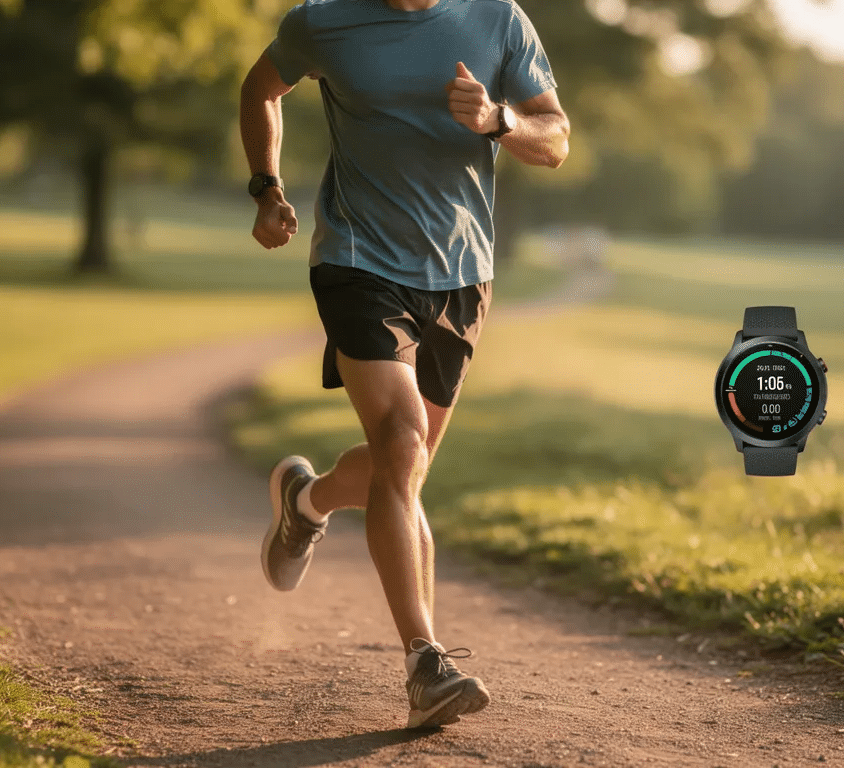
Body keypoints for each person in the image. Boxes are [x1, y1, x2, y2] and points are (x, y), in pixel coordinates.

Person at [239, 0, 568, 729]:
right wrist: (267, 188)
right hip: (358, 261)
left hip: (460, 276)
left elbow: (556, 139)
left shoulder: (498, 20)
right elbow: (260, 87)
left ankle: (308, 502)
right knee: (401, 442)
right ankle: (427, 662)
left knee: (405, 466)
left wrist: (497, 121)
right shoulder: (322, 21)